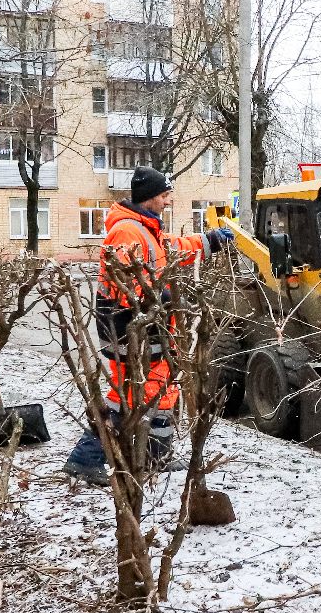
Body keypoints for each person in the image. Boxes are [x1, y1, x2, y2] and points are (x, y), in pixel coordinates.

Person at [63, 165, 235, 486]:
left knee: (162, 387)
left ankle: (158, 454)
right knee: (124, 395)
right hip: (127, 325)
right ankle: (84, 459)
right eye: (166, 196)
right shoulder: (127, 231)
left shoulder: (146, 229)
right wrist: (168, 296)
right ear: (150, 197)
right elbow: (127, 286)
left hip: (148, 325)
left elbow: (170, 248)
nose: (169, 202)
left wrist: (209, 240)